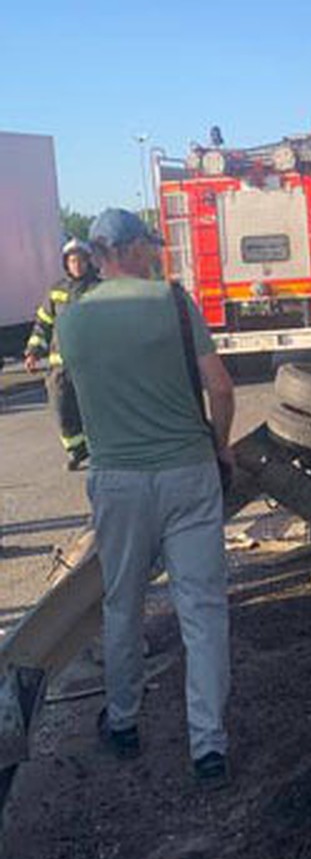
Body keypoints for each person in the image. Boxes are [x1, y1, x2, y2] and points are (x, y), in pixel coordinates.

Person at [56, 208, 237, 785]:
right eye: (148, 246)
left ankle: (125, 722)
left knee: (122, 602)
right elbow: (221, 385)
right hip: (188, 471)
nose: (155, 254)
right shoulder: (174, 304)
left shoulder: (72, 320)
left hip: (117, 481)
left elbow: (72, 394)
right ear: (128, 248)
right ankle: (209, 749)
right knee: (202, 610)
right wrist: (221, 444)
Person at [23, 239, 101, 469]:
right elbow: (43, 323)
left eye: (81, 260)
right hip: (61, 366)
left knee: (94, 410)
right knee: (62, 408)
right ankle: (76, 450)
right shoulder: (57, 291)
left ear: (89, 262)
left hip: (92, 365)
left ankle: (100, 449)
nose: (77, 265)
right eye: (72, 260)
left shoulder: (99, 289)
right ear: (66, 263)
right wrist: (33, 351)